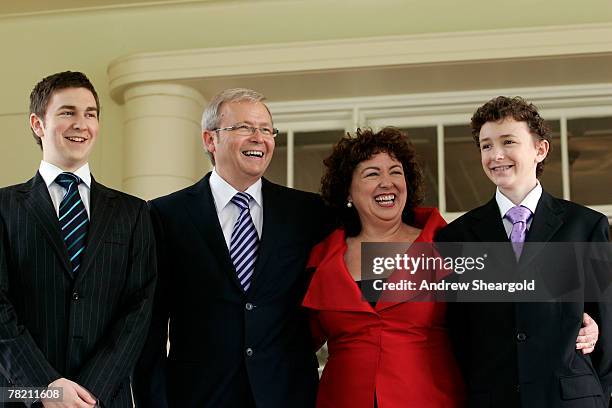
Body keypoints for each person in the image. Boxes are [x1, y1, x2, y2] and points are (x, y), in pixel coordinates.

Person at [133, 88, 333, 407]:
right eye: (244, 128)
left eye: (266, 130)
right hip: (199, 397)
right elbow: (149, 328)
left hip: (287, 395)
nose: (259, 137)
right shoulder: (164, 215)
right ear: (210, 140)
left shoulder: (307, 213)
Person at [435, 96, 611, 407]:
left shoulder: (586, 227)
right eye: (486, 146)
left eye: (508, 142)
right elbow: (459, 336)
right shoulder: (456, 237)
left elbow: (607, 326)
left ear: (540, 150)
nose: (496, 154)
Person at [0, 71, 157, 407]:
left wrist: (88, 391)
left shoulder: (133, 213)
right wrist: (46, 387)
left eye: (90, 114)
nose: (81, 124)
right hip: (21, 395)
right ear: (38, 124)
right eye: (67, 112)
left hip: (101, 398)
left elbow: (139, 309)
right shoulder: (3, 207)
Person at [302, 127, 466, 407]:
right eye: (372, 173)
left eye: (395, 172)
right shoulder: (321, 259)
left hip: (431, 398)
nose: (387, 182)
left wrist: (569, 324)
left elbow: (499, 317)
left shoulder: (446, 243)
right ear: (348, 192)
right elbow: (293, 341)